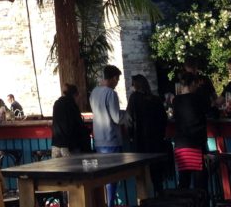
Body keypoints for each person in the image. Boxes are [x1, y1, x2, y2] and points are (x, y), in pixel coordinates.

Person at [126, 75, 170, 194]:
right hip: (156, 143)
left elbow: (129, 120)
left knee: (142, 177)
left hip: (140, 143)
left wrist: (130, 136)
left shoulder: (134, 98)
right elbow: (164, 120)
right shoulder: (155, 99)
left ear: (136, 85)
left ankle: (146, 201)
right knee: (157, 177)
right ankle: (160, 198)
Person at [89, 65, 124, 206]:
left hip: (98, 140)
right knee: (113, 178)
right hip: (112, 139)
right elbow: (116, 118)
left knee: (103, 178)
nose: (117, 83)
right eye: (118, 80)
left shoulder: (94, 93)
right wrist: (126, 115)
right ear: (114, 78)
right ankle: (110, 204)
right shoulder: (111, 93)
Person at [172, 72, 212, 191]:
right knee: (200, 186)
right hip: (196, 145)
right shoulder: (199, 98)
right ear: (193, 83)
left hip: (181, 147)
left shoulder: (175, 100)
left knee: (184, 183)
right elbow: (211, 112)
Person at [51, 84, 90, 157]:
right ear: (75, 95)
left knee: (57, 167)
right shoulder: (72, 105)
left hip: (56, 144)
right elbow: (78, 125)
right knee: (71, 168)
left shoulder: (57, 103)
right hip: (69, 146)